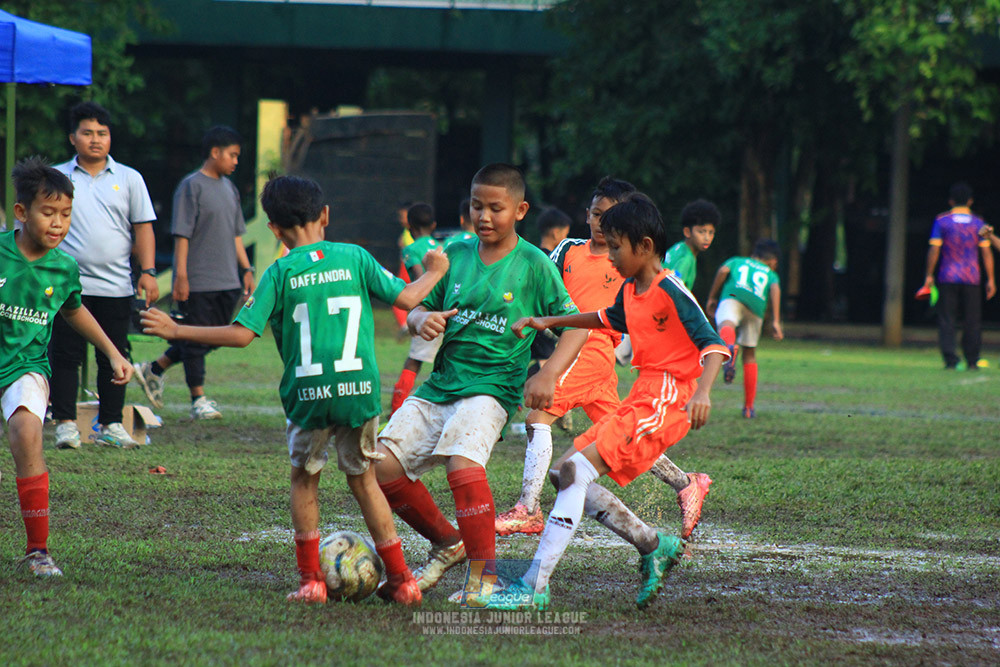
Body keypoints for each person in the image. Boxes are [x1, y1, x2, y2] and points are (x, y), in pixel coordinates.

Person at [139, 175, 449, 605]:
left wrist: (176, 328)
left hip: (308, 395)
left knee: (304, 480)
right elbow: (409, 296)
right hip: (358, 391)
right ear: (325, 215)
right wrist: (435, 270)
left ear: (274, 229)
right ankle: (402, 580)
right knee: (363, 481)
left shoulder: (280, 271)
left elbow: (242, 333)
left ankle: (311, 583)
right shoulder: (355, 258)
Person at [492, 192, 729, 610]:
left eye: (617, 246)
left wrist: (705, 392)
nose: (611, 255)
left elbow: (713, 345)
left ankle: (534, 584)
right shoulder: (631, 291)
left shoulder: (669, 288)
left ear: (645, 247)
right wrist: (550, 320)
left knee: (576, 470)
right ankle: (653, 544)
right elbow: (602, 318)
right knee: (563, 473)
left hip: (668, 398)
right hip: (643, 394)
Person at [373, 163, 589, 599]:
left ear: (521, 210)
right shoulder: (455, 253)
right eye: (477, 206)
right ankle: (446, 541)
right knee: (378, 466)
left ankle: (484, 576)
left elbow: (576, 325)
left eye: (496, 208)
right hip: (441, 385)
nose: (484, 216)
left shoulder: (533, 263)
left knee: (462, 464)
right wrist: (421, 319)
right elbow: (416, 305)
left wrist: (548, 372)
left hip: (492, 387)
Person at [3, 157, 134, 576]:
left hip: (26, 366)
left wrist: (113, 352)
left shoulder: (64, 268)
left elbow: (74, 312)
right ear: (22, 213)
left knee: (27, 430)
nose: (58, 223)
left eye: (65, 214)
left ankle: (37, 550)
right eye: (48, 213)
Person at [50, 102, 157, 449]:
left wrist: (149, 272)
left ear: (110, 138)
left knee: (114, 354)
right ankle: (65, 423)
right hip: (66, 286)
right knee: (64, 355)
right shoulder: (56, 178)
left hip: (115, 286)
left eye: (102, 133)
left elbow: (143, 228)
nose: (95, 140)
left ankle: (110, 424)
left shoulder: (129, 178)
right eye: (87, 133)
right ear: (72, 137)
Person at [133, 126, 255, 420]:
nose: (236, 161)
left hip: (228, 280)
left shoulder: (231, 189)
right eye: (232, 155)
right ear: (215, 153)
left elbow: (238, 235)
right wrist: (181, 276)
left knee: (210, 337)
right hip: (199, 280)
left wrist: (247, 269)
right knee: (198, 341)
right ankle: (198, 399)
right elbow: (182, 235)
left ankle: (155, 368)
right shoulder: (191, 186)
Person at [920, 182, 995, 370]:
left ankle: (951, 359)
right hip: (972, 277)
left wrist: (929, 274)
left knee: (947, 319)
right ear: (970, 201)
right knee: (972, 320)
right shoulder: (979, 223)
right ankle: (972, 359)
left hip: (948, 275)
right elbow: (986, 253)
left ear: (951, 201)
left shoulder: (942, 221)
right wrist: (991, 279)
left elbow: (934, 249)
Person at [706, 239, 784, 418]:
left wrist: (712, 297)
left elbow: (723, 271)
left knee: (727, 324)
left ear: (754, 254)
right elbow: (775, 289)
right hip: (756, 306)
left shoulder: (737, 261)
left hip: (734, 295)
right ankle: (749, 407)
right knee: (749, 353)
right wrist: (776, 321)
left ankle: (730, 346)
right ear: (773, 261)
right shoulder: (771, 273)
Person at [389, 203, 442, 415]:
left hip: (428, 311)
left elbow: (422, 279)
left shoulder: (411, 249)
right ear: (434, 225)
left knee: (414, 361)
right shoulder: (443, 246)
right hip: (450, 311)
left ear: (410, 226)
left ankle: (395, 412)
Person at [525, 207, 573, 383]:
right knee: (550, 363)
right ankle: (525, 385)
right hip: (543, 321)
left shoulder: (532, 257)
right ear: (556, 232)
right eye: (565, 234)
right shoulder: (553, 262)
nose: (566, 238)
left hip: (527, 318)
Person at [663, 199, 720, 291]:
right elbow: (674, 290)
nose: (707, 238)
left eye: (711, 232)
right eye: (701, 232)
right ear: (687, 232)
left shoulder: (678, 247)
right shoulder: (687, 259)